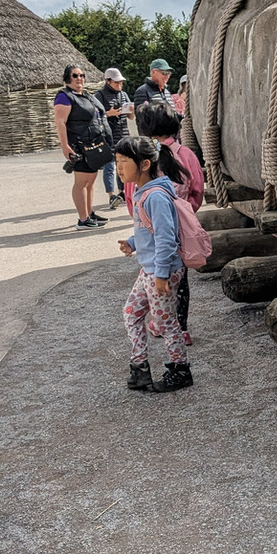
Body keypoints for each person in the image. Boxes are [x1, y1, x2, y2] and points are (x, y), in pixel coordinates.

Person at [115, 135, 194, 394]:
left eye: (123, 162)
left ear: (145, 164)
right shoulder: (143, 192)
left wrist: (161, 275)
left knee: (165, 323)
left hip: (162, 271)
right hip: (150, 270)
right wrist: (132, 242)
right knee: (131, 313)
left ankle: (179, 370)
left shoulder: (156, 196)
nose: (119, 168)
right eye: (117, 162)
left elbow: (166, 238)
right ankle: (140, 368)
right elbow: (148, 231)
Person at [136, 102, 204, 345]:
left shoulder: (141, 157)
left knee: (152, 275)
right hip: (181, 230)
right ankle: (181, 327)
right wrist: (187, 213)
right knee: (180, 279)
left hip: (149, 230)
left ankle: (160, 321)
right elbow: (197, 190)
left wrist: (141, 222)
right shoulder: (186, 155)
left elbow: (130, 194)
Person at [53, 64, 112, 230]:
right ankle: (83, 219)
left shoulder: (86, 95)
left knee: (91, 181)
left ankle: (89, 212)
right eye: (75, 75)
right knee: (81, 182)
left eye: (82, 75)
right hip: (79, 145)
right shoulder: (64, 96)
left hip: (93, 144)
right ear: (67, 78)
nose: (79, 78)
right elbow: (60, 122)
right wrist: (65, 146)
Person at [93, 67, 133, 210]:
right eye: (116, 82)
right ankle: (111, 195)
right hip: (107, 136)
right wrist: (108, 114)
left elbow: (131, 117)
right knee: (109, 166)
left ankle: (122, 192)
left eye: (120, 82)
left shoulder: (123, 95)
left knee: (123, 164)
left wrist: (131, 111)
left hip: (123, 134)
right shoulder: (99, 95)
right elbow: (94, 116)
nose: (119, 85)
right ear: (108, 81)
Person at [133, 59, 178, 132]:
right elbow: (141, 121)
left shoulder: (166, 91)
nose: (167, 76)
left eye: (169, 73)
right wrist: (154, 143)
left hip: (171, 139)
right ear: (153, 72)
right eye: (164, 72)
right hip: (155, 140)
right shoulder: (142, 91)